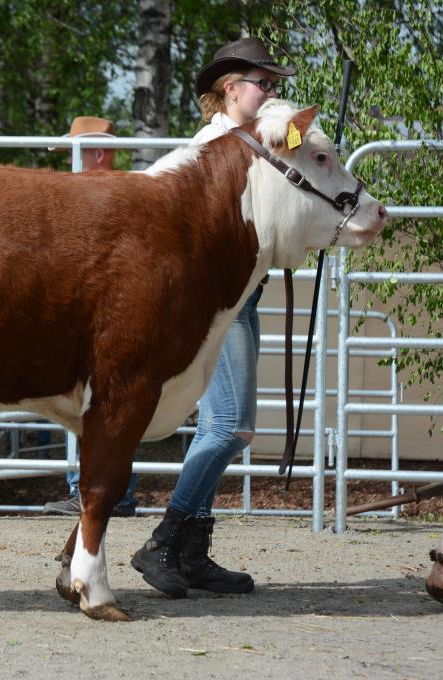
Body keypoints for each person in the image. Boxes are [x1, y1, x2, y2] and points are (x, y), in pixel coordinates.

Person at [130, 37, 294, 598]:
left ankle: (190, 548)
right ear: (231, 89)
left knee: (227, 429)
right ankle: (166, 540)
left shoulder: (251, 144)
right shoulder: (213, 148)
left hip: (240, 296)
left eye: (275, 85)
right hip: (222, 301)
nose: (272, 93)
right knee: (230, 427)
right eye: (262, 83)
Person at [41, 116, 139, 519]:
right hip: (106, 312)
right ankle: (104, 492)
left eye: (74, 154)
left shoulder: (106, 198)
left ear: (97, 153)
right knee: (108, 404)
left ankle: (102, 492)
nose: (69, 165)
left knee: (106, 402)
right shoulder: (122, 195)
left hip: (107, 314)